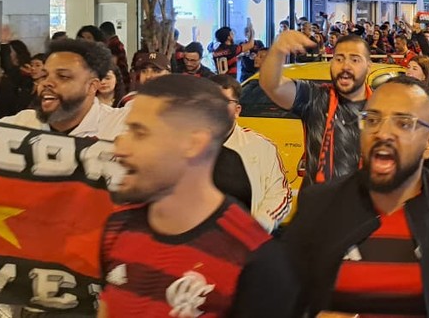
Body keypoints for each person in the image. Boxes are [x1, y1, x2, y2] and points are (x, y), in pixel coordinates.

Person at [281, 75, 429, 316]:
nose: (383, 133)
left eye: (404, 123)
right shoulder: (319, 204)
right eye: (372, 120)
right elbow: (280, 298)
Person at [99, 74, 296, 318]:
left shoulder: (253, 259)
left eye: (140, 133)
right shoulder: (117, 228)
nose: (120, 148)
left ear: (193, 144)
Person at [260, 31, 372, 186]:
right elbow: (272, 85)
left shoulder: (381, 108)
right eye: (339, 59)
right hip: (317, 204)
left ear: (368, 66)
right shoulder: (314, 97)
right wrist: (277, 50)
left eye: (355, 59)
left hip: (364, 205)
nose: (345, 66)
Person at [209, 75, 292, 232]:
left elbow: (280, 194)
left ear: (237, 110)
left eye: (224, 102)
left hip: (245, 241)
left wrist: (257, 227)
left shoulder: (261, 147)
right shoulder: (188, 148)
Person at [0, 39, 128, 140]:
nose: (47, 83)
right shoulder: (18, 126)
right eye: (44, 76)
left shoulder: (119, 128)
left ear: (92, 86)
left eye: (63, 76)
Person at [0, 38, 35, 119]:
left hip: (14, 114)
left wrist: (4, 44)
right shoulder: (8, 73)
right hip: (0, 112)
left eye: (9, 51)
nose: (8, 55)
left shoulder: (24, 72)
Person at [99, 21, 130, 91]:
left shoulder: (113, 45)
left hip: (119, 78)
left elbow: (113, 64)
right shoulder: (117, 43)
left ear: (104, 33)